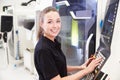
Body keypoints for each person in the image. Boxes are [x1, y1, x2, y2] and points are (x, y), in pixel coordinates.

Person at [34, 6, 102, 80]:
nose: (55, 26)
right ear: (41, 24)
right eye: (50, 22)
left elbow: (59, 67)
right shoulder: (43, 50)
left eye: (58, 21)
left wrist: (81, 67)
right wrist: (86, 71)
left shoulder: (53, 42)